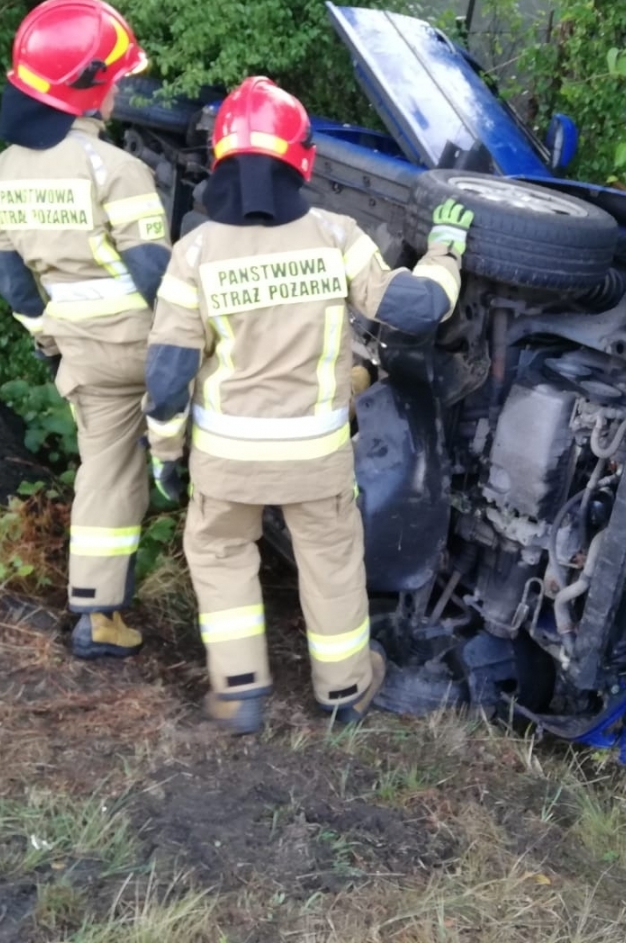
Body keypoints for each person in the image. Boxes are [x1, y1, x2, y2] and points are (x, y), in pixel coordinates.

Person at [143, 76, 473, 734]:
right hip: (315, 458)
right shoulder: (334, 235)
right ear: (302, 158)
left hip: (226, 459)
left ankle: (239, 692)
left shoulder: (195, 254)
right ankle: (344, 690)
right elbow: (417, 307)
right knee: (331, 564)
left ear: (219, 157)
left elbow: (168, 372)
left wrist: (166, 455)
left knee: (220, 555)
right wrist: (444, 250)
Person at [0, 0, 172, 660]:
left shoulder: (1, 172)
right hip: (146, 345)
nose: (121, 90)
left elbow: (9, 280)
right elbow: (155, 273)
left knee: (107, 472)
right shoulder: (118, 170)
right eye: (116, 79)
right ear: (88, 89)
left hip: (83, 355)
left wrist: (46, 336)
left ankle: (98, 618)